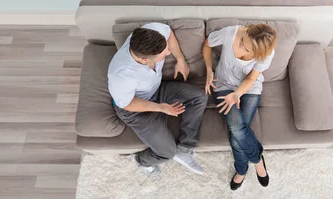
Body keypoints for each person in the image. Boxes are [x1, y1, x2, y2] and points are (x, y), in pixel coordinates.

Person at [108, 23, 208, 176]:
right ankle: (141, 161)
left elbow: (168, 32)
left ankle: (185, 149)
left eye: (166, 48)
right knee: (167, 152)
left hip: (156, 91)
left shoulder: (151, 32)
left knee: (199, 97)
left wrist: (180, 60)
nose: (169, 52)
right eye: (164, 54)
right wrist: (161, 108)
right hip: (135, 108)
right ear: (144, 60)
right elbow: (127, 104)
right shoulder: (121, 76)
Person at [202, 24, 276, 190]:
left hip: (249, 88)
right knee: (237, 127)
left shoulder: (267, 54)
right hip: (223, 86)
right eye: (243, 41)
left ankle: (241, 170)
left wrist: (237, 94)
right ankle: (257, 161)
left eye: (247, 48)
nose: (241, 46)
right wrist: (208, 70)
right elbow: (207, 44)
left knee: (237, 132)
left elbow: (251, 79)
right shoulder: (231, 33)